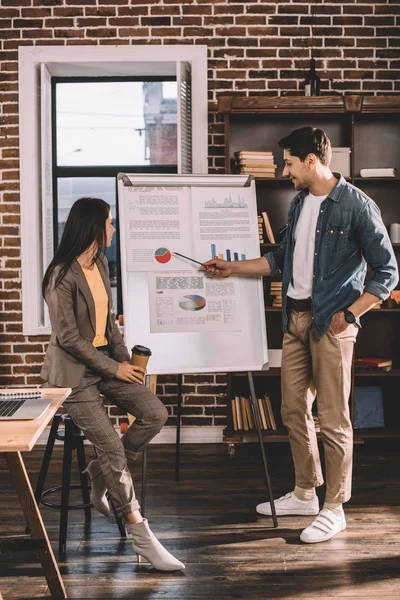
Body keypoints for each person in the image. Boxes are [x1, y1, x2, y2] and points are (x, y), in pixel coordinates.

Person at [204, 127, 398, 544]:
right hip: (293, 320)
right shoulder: (298, 204)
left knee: (333, 419)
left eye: (289, 162)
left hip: (331, 323)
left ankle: (335, 507)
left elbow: (387, 273)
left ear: (313, 160)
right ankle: (307, 492)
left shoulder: (357, 206)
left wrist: (350, 314)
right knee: (292, 408)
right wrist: (231, 267)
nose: (283, 169)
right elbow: (280, 259)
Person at [41, 197, 184, 570]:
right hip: (73, 377)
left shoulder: (100, 263)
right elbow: (69, 339)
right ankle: (142, 536)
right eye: (109, 222)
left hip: (105, 365)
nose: (113, 228)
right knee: (115, 451)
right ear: (93, 227)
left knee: (155, 413)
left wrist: (123, 362)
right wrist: (114, 368)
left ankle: (97, 473)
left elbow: (109, 326)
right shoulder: (61, 275)